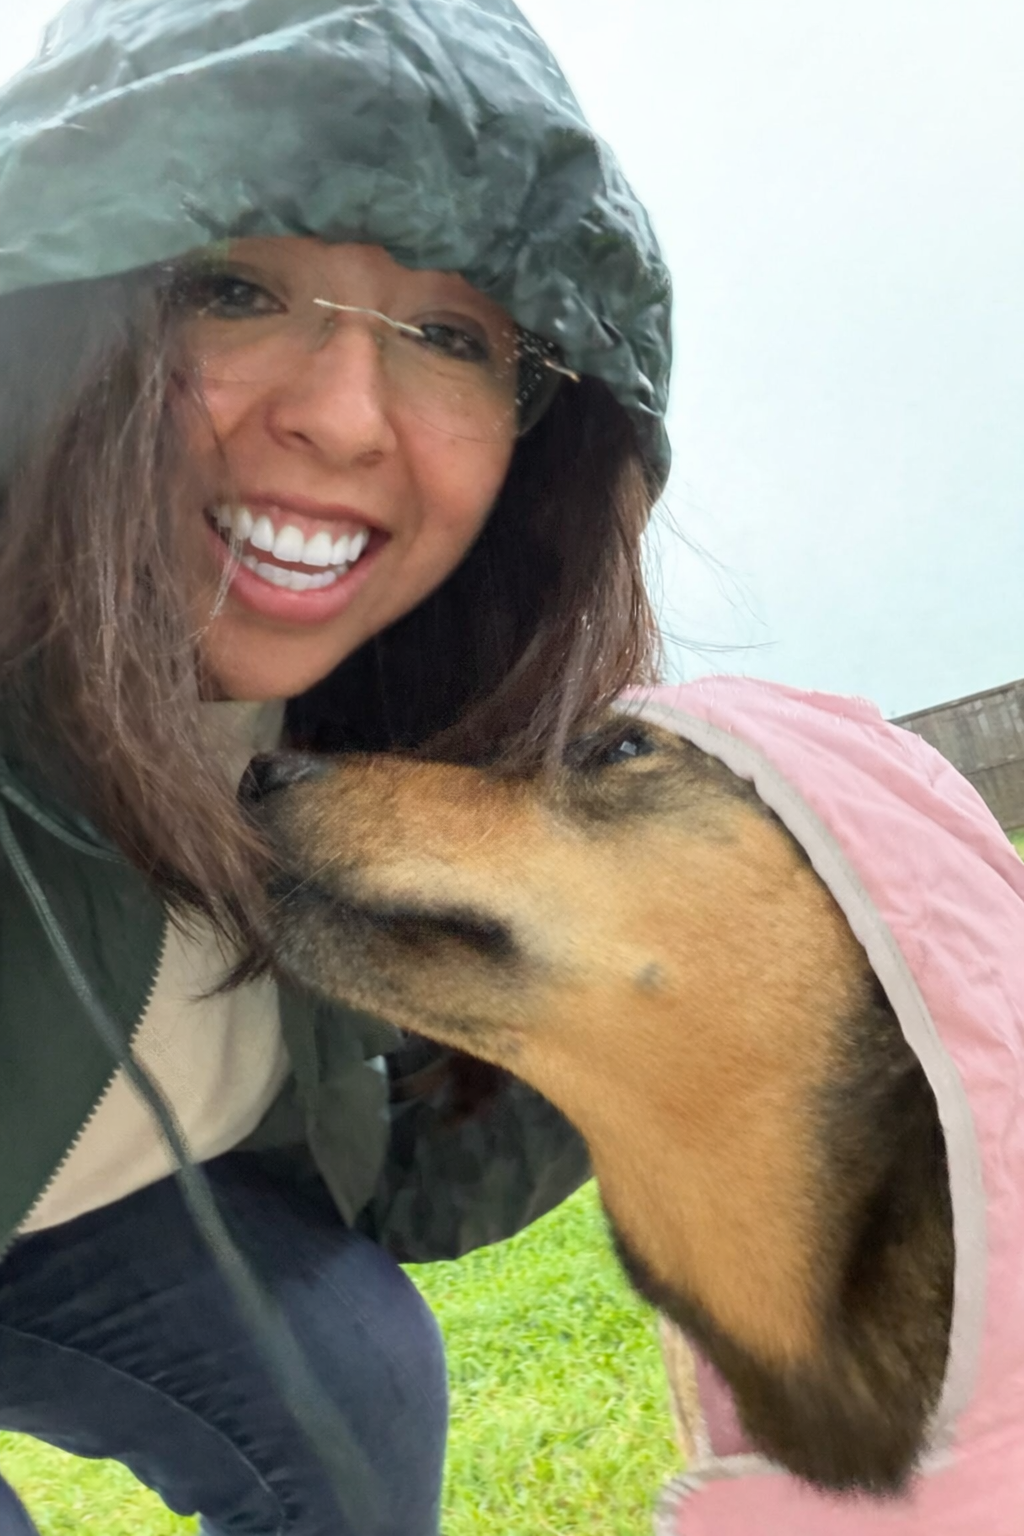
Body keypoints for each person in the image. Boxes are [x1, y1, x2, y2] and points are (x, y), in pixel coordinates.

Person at [0, 0, 672, 1532]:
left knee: (350, 1379)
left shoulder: (389, 727)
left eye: (452, 337)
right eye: (234, 286)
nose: (343, 417)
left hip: (95, 1222)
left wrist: (632, 1023)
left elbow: (388, 1180)